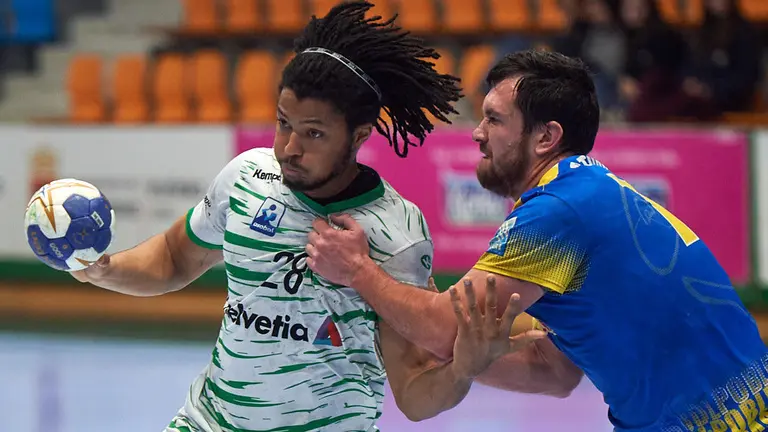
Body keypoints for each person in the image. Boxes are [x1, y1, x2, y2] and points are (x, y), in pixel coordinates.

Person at [66, 2, 506, 431]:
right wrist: (105, 269)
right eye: (283, 123)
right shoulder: (246, 176)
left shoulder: (396, 232)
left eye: (313, 133)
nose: (289, 148)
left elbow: (413, 394)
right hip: (207, 421)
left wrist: (462, 369)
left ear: (359, 136)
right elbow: (173, 258)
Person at [305, 49, 768, 431]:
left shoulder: (559, 211)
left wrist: (359, 271)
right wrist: (467, 360)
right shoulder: (590, 191)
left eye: (494, 119)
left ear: (546, 136)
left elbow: (441, 328)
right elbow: (556, 371)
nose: (477, 133)